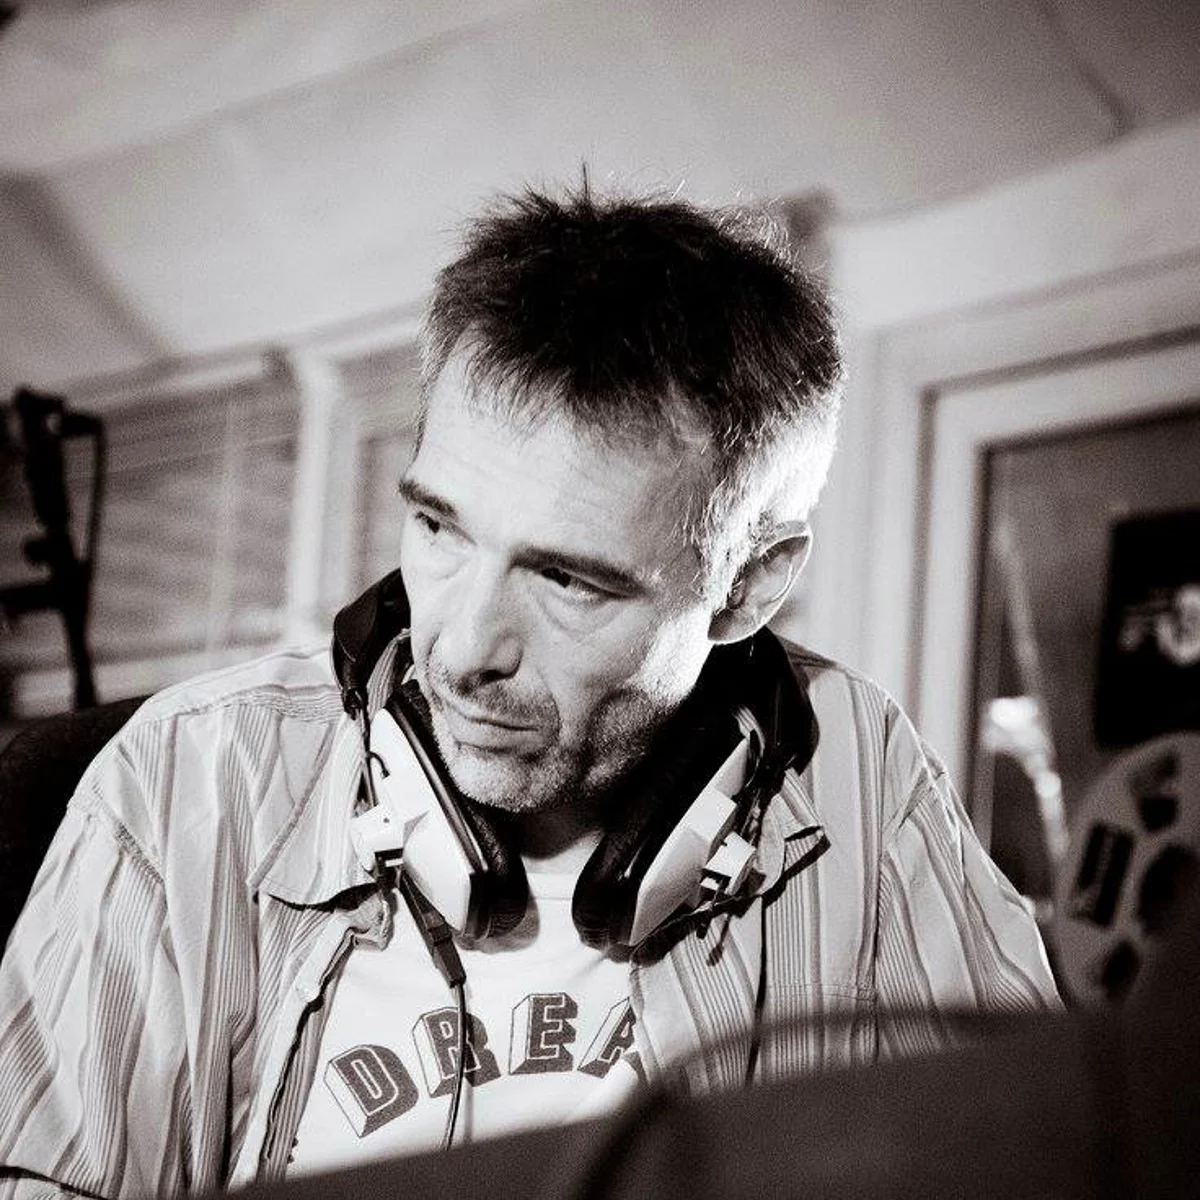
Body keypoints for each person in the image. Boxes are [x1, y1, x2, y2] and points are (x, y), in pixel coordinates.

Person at [0, 183, 1059, 1197]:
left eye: (566, 581)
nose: (462, 650)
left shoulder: (861, 775)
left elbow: (1036, 1159)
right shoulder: (190, 778)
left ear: (746, 588)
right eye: (439, 527)